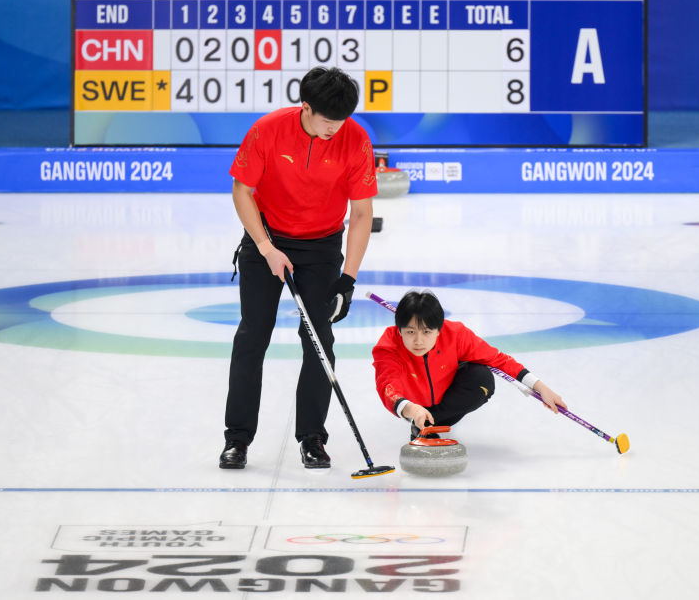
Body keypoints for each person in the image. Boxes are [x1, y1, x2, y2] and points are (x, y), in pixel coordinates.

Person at [220, 66, 377, 470]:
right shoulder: (268, 130)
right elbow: (242, 190)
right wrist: (265, 247)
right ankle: (237, 438)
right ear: (306, 107)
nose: (335, 129)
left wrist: (347, 279)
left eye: (341, 121)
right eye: (328, 121)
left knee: (319, 340)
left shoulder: (355, 140)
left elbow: (361, 214)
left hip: (322, 246)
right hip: (266, 237)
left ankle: (312, 438)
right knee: (252, 335)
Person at [373, 290, 566, 439]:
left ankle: (429, 423)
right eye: (410, 332)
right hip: (412, 404)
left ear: (439, 330)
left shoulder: (455, 335)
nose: (418, 341)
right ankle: (420, 419)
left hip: (445, 398)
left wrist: (541, 387)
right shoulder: (389, 347)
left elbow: (498, 359)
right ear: (399, 330)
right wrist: (412, 409)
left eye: (426, 332)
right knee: (409, 403)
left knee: (482, 378)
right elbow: (387, 387)